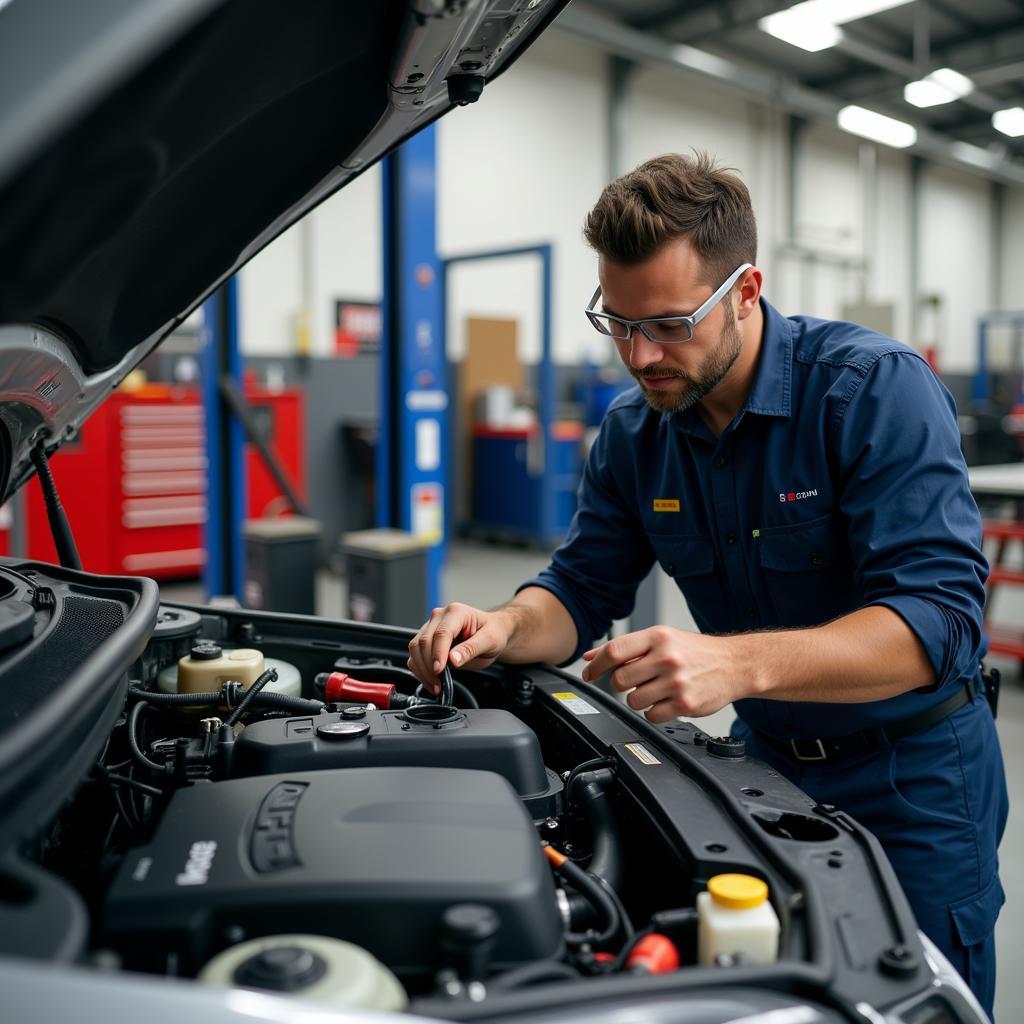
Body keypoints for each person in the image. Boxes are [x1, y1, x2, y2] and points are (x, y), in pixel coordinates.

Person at [407, 152, 1008, 1016]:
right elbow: (578, 591)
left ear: (747, 289)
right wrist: (502, 625)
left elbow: (941, 624)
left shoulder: (872, 390)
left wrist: (736, 667)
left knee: (906, 1000)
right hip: (767, 771)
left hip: (914, 779)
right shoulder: (633, 432)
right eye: (616, 323)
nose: (640, 354)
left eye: (670, 323)